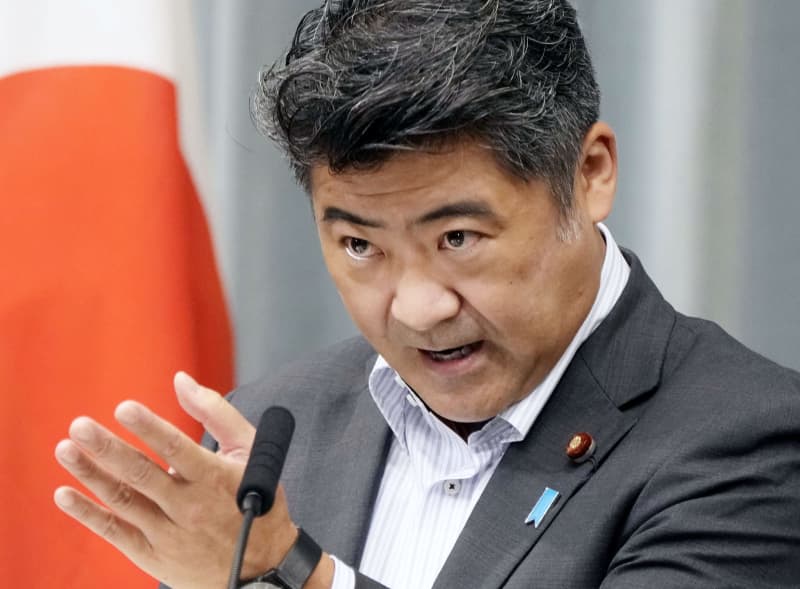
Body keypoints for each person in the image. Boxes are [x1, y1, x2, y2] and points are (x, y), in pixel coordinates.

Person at [54, 1, 800, 588]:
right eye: (360, 246)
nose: (417, 308)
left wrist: (293, 572)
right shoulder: (269, 439)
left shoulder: (748, 439)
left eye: (457, 238)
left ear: (590, 173)